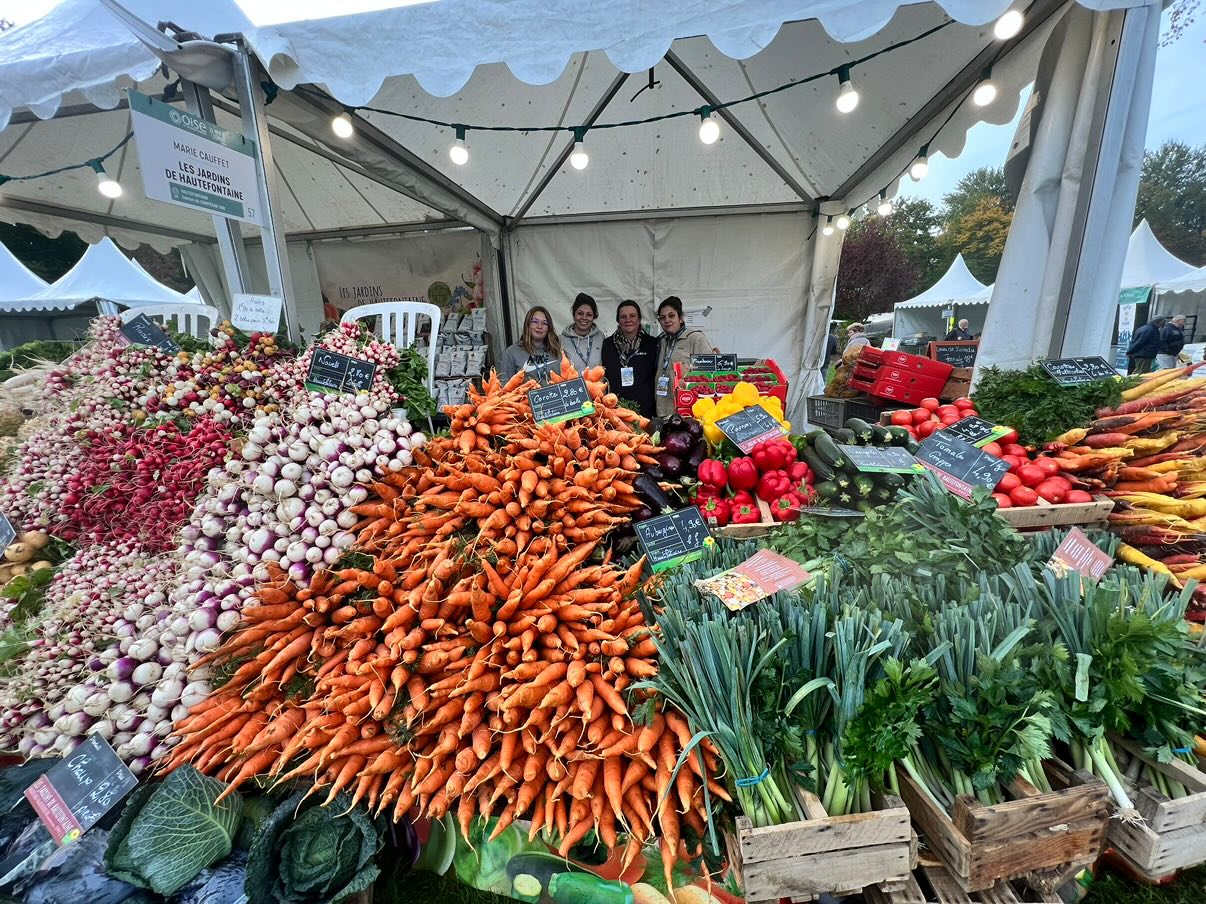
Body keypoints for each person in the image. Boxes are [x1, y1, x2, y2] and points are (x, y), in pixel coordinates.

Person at [654, 296, 714, 419]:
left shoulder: (695, 338)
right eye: (662, 317)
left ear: (680, 318)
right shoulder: (661, 341)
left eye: (671, 316)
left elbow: (709, 374)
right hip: (663, 408)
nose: (667, 320)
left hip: (688, 411)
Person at [601, 300, 659, 418]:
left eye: (632, 316)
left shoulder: (653, 344)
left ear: (639, 319)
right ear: (618, 321)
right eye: (623, 317)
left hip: (645, 412)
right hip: (616, 412)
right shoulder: (607, 345)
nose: (628, 320)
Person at [500, 306, 563, 384]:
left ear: (549, 328)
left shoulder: (557, 351)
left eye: (544, 323)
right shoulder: (512, 352)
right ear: (527, 325)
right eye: (535, 321)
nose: (539, 326)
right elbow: (505, 386)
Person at [560, 292, 604, 372]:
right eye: (580, 313)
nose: (584, 318)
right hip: (573, 385)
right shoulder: (561, 340)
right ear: (574, 315)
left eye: (589, 314)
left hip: (597, 384)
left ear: (594, 317)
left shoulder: (601, 337)